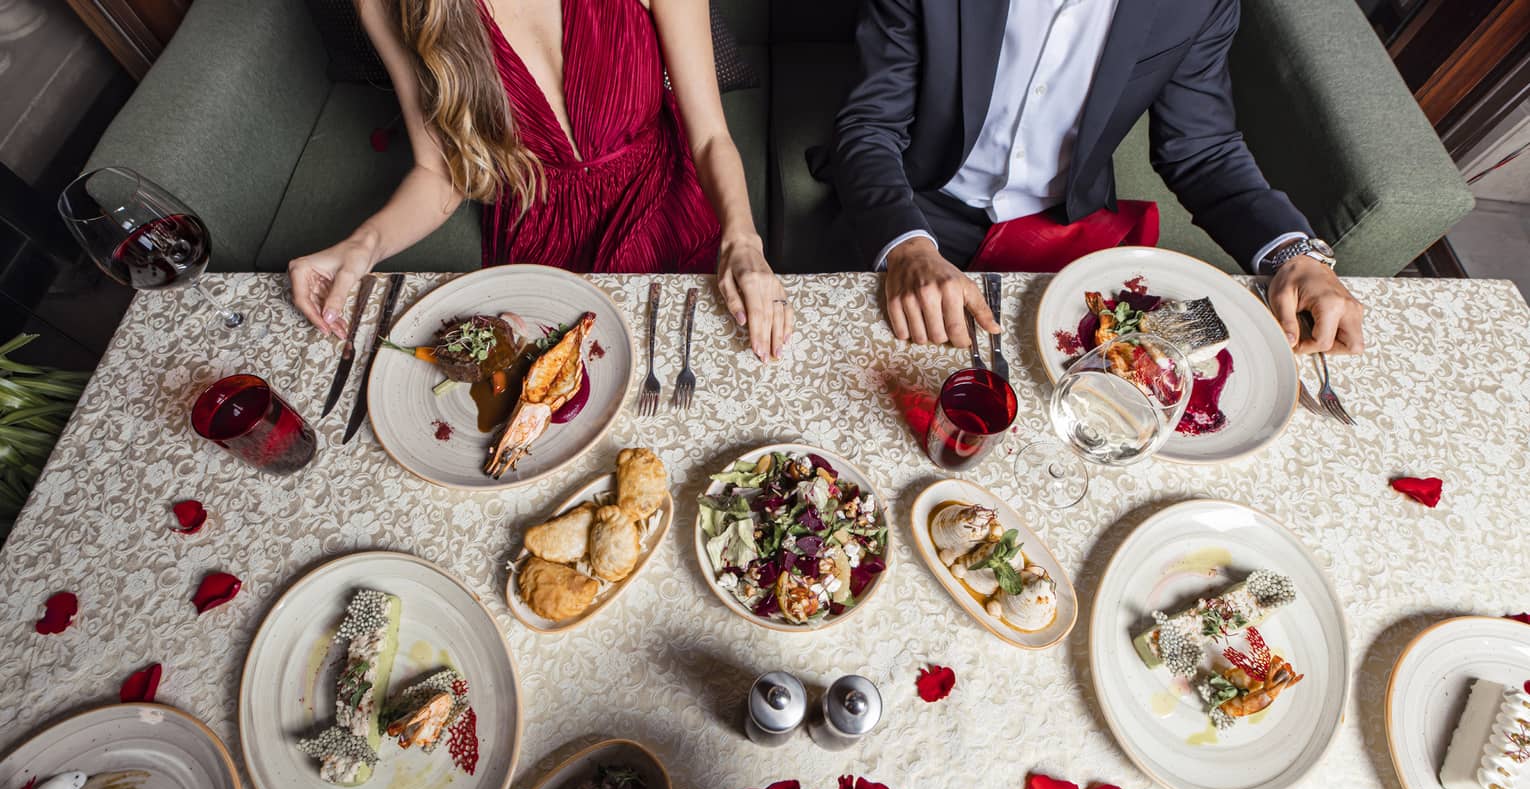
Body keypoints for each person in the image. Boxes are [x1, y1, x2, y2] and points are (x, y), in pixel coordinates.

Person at [821, 0, 1365, 354]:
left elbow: (1201, 149)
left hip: (1063, 229)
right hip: (917, 204)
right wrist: (909, 248)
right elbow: (870, 124)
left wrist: (1295, 258)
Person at [289, 0, 792, 362]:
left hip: (667, 205)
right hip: (543, 237)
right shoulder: (392, 5)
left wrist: (743, 239)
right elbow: (441, 172)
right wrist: (363, 245)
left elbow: (708, 136)